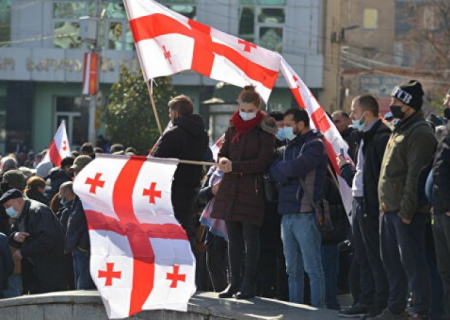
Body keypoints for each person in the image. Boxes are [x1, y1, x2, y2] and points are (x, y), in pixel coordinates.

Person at [378, 80, 436, 319]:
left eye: (396, 101)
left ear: (409, 104)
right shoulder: (400, 127)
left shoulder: (420, 131)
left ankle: (420, 310)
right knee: (391, 262)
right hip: (388, 207)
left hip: (405, 212)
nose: (392, 105)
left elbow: (415, 176)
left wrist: (406, 212)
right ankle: (396, 308)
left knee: (413, 264)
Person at [211, 86, 276, 300]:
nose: (245, 112)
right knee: (234, 239)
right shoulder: (233, 127)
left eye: (249, 109)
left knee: (250, 238)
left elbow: (263, 162)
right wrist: (222, 161)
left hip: (252, 190)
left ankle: (248, 285)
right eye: (242, 108)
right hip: (231, 189)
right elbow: (223, 151)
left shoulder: (265, 129)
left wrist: (234, 166)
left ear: (258, 109)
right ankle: (233, 282)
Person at [337, 94, 390, 318]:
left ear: (366, 113)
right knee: (361, 255)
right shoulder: (364, 136)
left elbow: (379, 175)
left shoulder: (381, 136)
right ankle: (364, 300)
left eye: (354, 112)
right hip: (358, 201)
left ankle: (380, 303)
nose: (352, 117)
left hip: (371, 203)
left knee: (374, 256)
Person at [269, 107, 327, 307]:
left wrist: (284, 170)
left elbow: (294, 168)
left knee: (313, 268)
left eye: (287, 125)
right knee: (292, 269)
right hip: (286, 214)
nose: (282, 129)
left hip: (305, 214)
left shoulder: (315, 145)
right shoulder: (288, 147)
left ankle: (317, 311)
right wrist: (285, 170)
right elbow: (273, 170)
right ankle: (296, 309)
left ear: (300, 124)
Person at [152, 95, 208, 239]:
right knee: (186, 231)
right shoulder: (202, 134)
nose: (169, 115)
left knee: (170, 231)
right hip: (192, 188)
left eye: (170, 112)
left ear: (176, 113)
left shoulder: (173, 134)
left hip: (172, 190)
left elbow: (156, 160)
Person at [2, 189, 66, 294]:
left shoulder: (38, 211)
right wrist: (15, 236)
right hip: (37, 270)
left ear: (19, 201)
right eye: (5, 207)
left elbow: (48, 239)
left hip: (51, 268)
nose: (7, 210)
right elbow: (14, 233)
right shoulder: (20, 214)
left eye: (8, 206)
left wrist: (23, 252)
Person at [431, 88, 450, 320]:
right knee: (445, 272)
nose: (445, 101)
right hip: (440, 212)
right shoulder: (444, 131)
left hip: (445, 211)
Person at [66, 156, 96, 290]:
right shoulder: (80, 188)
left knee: (84, 287)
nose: (74, 175)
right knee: (79, 284)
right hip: (78, 245)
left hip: (84, 246)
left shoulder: (91, 188)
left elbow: (90, 219)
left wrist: (82, 244)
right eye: (74, 171)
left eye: (78, 171)